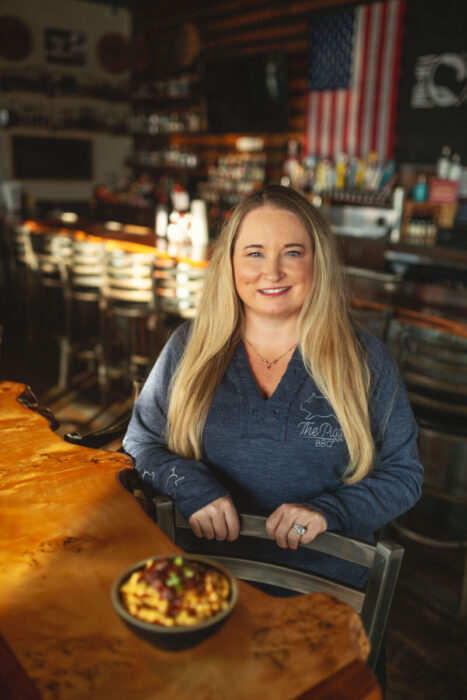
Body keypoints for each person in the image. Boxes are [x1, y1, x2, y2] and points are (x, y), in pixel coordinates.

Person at [123, 184, 423, 591]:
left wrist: (331, 511)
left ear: (319, 262)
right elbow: (140, 443)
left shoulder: (365, 360)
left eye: (293, 252)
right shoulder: (189, 347)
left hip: (327, 592)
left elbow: (403, 475)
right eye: (255, 253)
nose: (273, 271)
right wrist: (192, 487)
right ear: (229, 263)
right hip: (201, 584)